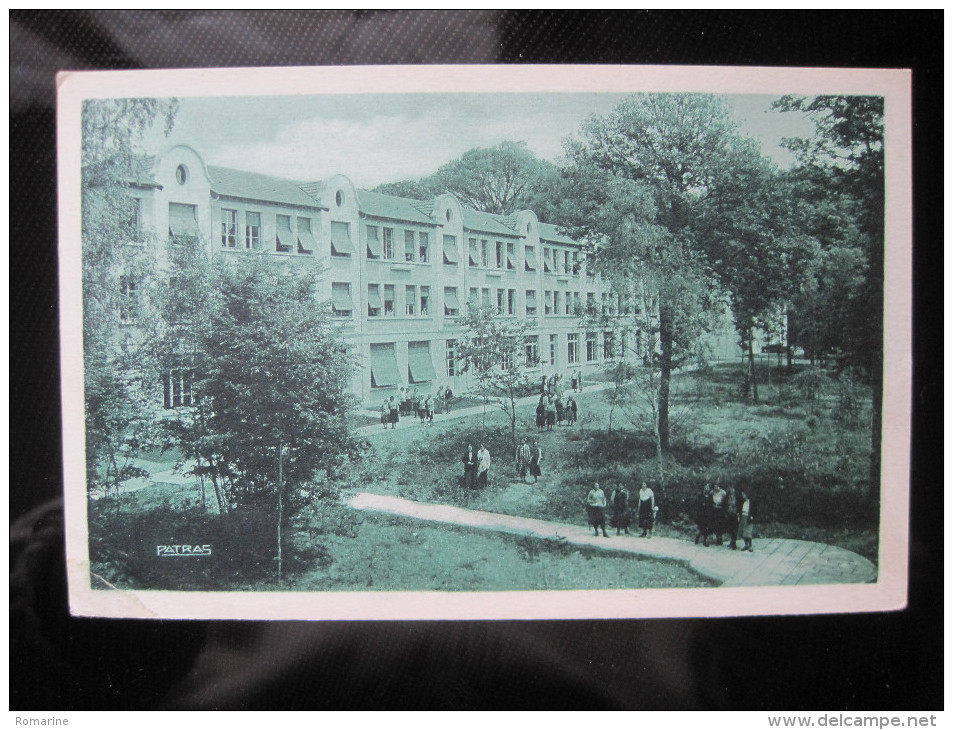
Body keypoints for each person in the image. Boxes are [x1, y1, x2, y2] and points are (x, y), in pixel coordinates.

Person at [724, 485, 739, 549]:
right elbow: (725, 505)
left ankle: (734, 543)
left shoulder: (737, 497)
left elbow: (739, 505)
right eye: (730, 489)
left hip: (735, 514)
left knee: (735, 529)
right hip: (729, 514)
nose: (732, 490)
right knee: (730, 529)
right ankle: (731, 542)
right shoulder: (727, 497)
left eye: (733, 489)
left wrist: (738, 513)